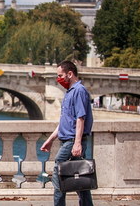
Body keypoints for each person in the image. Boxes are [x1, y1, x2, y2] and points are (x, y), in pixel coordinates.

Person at [40, 60, 94, 206]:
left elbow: (80, 118)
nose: (58, 79)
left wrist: (77, 143)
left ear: (70, 74)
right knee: (81, 178)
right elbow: (65, 122)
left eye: (60, 75)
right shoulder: (70, 92)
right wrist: (50, 139)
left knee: (59, 174)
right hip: (68, 140)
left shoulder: (79, 91)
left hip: (72, 141)